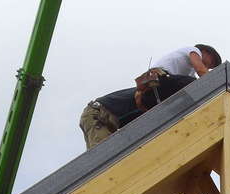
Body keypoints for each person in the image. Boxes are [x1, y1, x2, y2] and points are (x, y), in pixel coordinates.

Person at [79, 44, 222, 150]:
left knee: (109, 157)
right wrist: (219, 88)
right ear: (203, 51)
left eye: (213, 66)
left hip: (108, 121)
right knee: (103, 160)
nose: (210, 65)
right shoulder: (193, 51)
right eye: (212, 60)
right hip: (98, 113)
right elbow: (201, 71)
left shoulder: (185, 75)